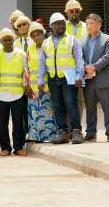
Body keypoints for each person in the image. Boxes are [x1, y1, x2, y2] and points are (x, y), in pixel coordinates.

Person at [40, 12, 84, 144]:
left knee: (71, 104)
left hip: (69, 77)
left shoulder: (72, 39)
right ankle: (62, 132)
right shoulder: (46, 43)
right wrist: (40, 80)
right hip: (53, 78)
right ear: (51, 26)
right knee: (58, 106)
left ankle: (76, 131)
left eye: (62, 24)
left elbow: (79, 59)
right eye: (58, 24)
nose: (61, 26)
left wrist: (79, 75)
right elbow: (42, 62)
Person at [82, 13, 109, 142]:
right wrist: (86, 67)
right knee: (90, 108)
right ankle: (91, 132)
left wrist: (94, 67)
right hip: (88, 78)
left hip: (103, 78)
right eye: (87, 23)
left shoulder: (108, 39)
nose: (88, 26)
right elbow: (80, 57)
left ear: (99, 24)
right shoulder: (82, 40)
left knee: (108, 107)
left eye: (91, 23)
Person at [0, 28, 28, 155]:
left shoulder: (21, 54)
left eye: (10, 40)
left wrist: (26, 87)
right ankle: (5, 148)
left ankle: (18, 147)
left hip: (17, 94)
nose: (8, 42)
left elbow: (25, 72)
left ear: (13, 40)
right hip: (1, 94)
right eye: (5, 40)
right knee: (2, 124)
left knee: (18, 122)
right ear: (1, 41)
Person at [25, 21, 57, 143]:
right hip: (33, 88)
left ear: (43, 34)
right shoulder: (30, 49)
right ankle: (34, 136)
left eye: (38, 34)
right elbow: (26, 67)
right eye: (33, 36)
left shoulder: (50, 46)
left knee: (47, 112)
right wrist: (26, 84)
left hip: (47, 86)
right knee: (34, 112)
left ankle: (49, 136)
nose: (36, 37)